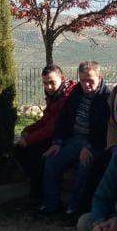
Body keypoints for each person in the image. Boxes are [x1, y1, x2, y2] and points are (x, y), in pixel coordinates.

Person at [40, 60, 109, 216]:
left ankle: (75, 208)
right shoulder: (76, 93)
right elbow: (63, 119)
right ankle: (51, 205)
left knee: (85, 165)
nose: (86, 84)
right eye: (83, 80)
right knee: (51, 160)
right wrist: (57, 142)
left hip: (94, 144)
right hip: (73, 140)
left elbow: (103, 128)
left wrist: (90, 146)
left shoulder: (106, 97)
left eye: (90, 80)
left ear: (99, 77)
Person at [13, 65, 76, 207]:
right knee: (22, 150)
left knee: (35, 153)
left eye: (52, 82)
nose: (48, 87)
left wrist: (28, 140)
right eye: (45, 83)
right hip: (55, 134)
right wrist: (29, 129)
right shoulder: (55, 96)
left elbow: (54, 126)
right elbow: (46, 119)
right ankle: (37, 191)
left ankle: (38, 194)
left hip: (65, 137)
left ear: (62, 79)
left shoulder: (67, 97)